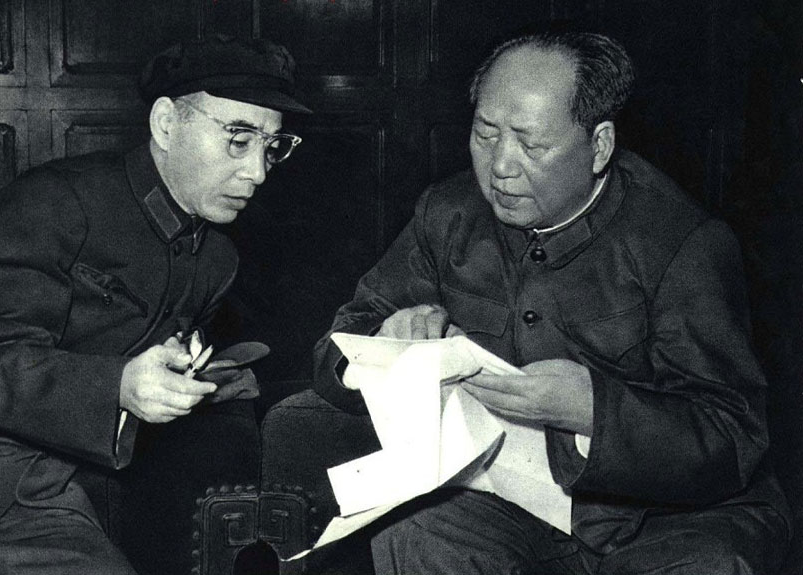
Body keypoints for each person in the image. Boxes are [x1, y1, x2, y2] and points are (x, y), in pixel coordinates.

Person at [313, 31, 792, 574]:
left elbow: (733, 436)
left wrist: (594, 412)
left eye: (532, 145)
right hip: (516, 508)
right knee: (418, 534)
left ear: (599, 146)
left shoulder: (684, 242)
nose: (500, 165)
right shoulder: (447, 214)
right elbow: (337, 348)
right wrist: (382, 347)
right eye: (485, 134)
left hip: (672, 520)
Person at [0, 35, 310, 574]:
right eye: (238, 139)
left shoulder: (217, 259)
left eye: (272, 146)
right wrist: (119, 385)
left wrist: (196, 382)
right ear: (166, 124)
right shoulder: (54, 199)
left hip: (39, 490)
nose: (257, 172)